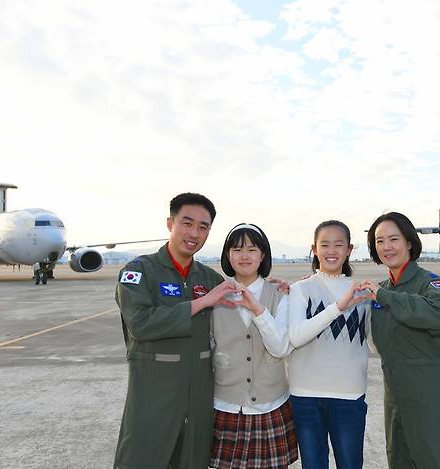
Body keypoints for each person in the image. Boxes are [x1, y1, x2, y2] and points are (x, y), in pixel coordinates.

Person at [114, 192, 239, 469]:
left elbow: (241, 312)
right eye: (187, 223)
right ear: (170, 224)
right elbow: (142, 324)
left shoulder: (209, 278)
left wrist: (280, 288)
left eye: (203, 227)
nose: (194, 232)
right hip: (153, 399)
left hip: (198, 403)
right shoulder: (139, 272)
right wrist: (201, 303)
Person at [361, 212, 440, 469]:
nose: (386, 247)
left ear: (409, 242)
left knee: (436, 459)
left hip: (430, 393)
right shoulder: (380, 290)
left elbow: (438, 316)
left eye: (393, 239)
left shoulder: (430, 284)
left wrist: (384, 297)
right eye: (379, 241)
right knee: (399, 459)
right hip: (395, 394)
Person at [210, 223, 298, 469]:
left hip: (270, 405)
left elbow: (280, 348)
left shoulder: (280, 294)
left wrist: (258, 311)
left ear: (263, 256)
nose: (244, 255)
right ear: (228, 255)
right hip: (226, 405)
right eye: (237, 249)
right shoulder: (216, 296)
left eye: (252, 249)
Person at [286, 220, 372, 469]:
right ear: (314, 249)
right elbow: (296, 337)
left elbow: (374, 343)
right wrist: (338, 307)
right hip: (306, 395)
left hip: (349, 393)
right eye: (324, 244)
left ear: (349, 249)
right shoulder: (300, 289)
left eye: (338, 244)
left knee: (350, 463)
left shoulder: (361, 293)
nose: (331, 250)